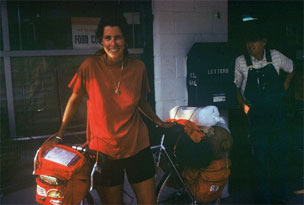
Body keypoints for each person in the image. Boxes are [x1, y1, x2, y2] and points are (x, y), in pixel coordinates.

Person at [57, 13, 175, 204]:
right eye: (108, 38)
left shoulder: (138, 67)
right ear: (101, 41)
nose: (113, 43)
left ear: (125, 40)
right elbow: (74, 100)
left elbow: (140, 101)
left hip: (137, 145)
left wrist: (159, 121)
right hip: (104, 152)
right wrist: (60, 132)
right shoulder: (90, 66)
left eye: (118, 37)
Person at [234, 23, 294, 204]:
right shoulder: (241, 61)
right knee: (259, 157)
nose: (250, 45)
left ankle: (279, 197)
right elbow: (236, 87)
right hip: (256, 114)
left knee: (277, 154)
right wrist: (243, 105)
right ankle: (262, 200)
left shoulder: (275, 56)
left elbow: (291, 68)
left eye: (254, 41)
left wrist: (284, 86)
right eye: (248, 42)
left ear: (263, 42)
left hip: (276, 113)